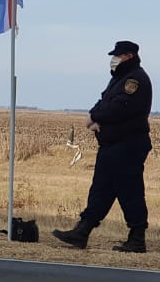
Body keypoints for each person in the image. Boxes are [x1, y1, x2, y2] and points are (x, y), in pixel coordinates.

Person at [52, 40, 152, 253]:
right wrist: (92, 115)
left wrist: (96, 118)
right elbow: (104, 101)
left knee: (130, 191)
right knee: (101, 190)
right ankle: (81, 232)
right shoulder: (118, 79)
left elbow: (119, 108)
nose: (113, 60)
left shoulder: (135, 80)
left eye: (118, 56)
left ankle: (137, 238)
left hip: (128, 146)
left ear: (129, 56)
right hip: (111, 146)